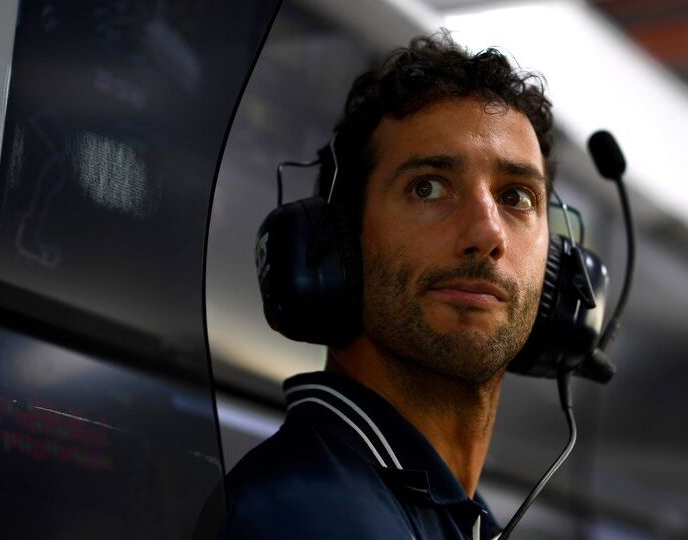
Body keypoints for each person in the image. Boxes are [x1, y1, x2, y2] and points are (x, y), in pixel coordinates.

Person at [220, 32, 554, 539]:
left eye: (517, 197)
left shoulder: (449, 514)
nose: (488, 233)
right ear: (337, 246)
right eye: (429, 187)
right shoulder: (311, 513)